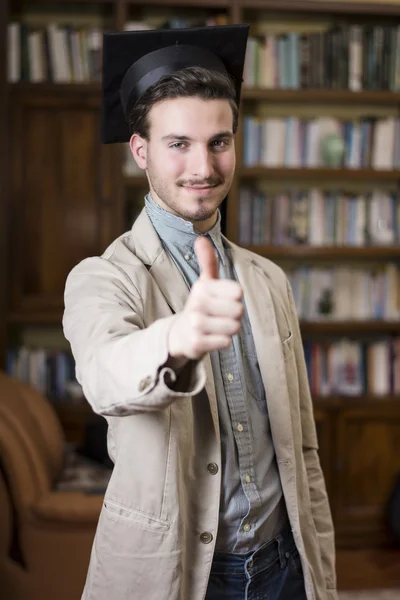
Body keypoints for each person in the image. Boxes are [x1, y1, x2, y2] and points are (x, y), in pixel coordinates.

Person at [63, 24, 337, 600]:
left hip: (286, 566)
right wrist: (178, 341)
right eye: (178, 143)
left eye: (219, 142)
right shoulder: (103, 276)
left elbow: (300, 446)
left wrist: (320, 573)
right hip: (177, 574)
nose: (204, 167)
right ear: (141, 151)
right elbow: (105, 376)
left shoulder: (268, 279)